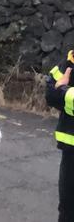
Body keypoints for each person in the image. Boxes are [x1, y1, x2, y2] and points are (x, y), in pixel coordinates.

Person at [46, 50, 74, 222]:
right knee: (67, 208)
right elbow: (50, 95)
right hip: (70, 151)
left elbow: (58, 93)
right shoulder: (67, 63)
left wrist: (63, 90)